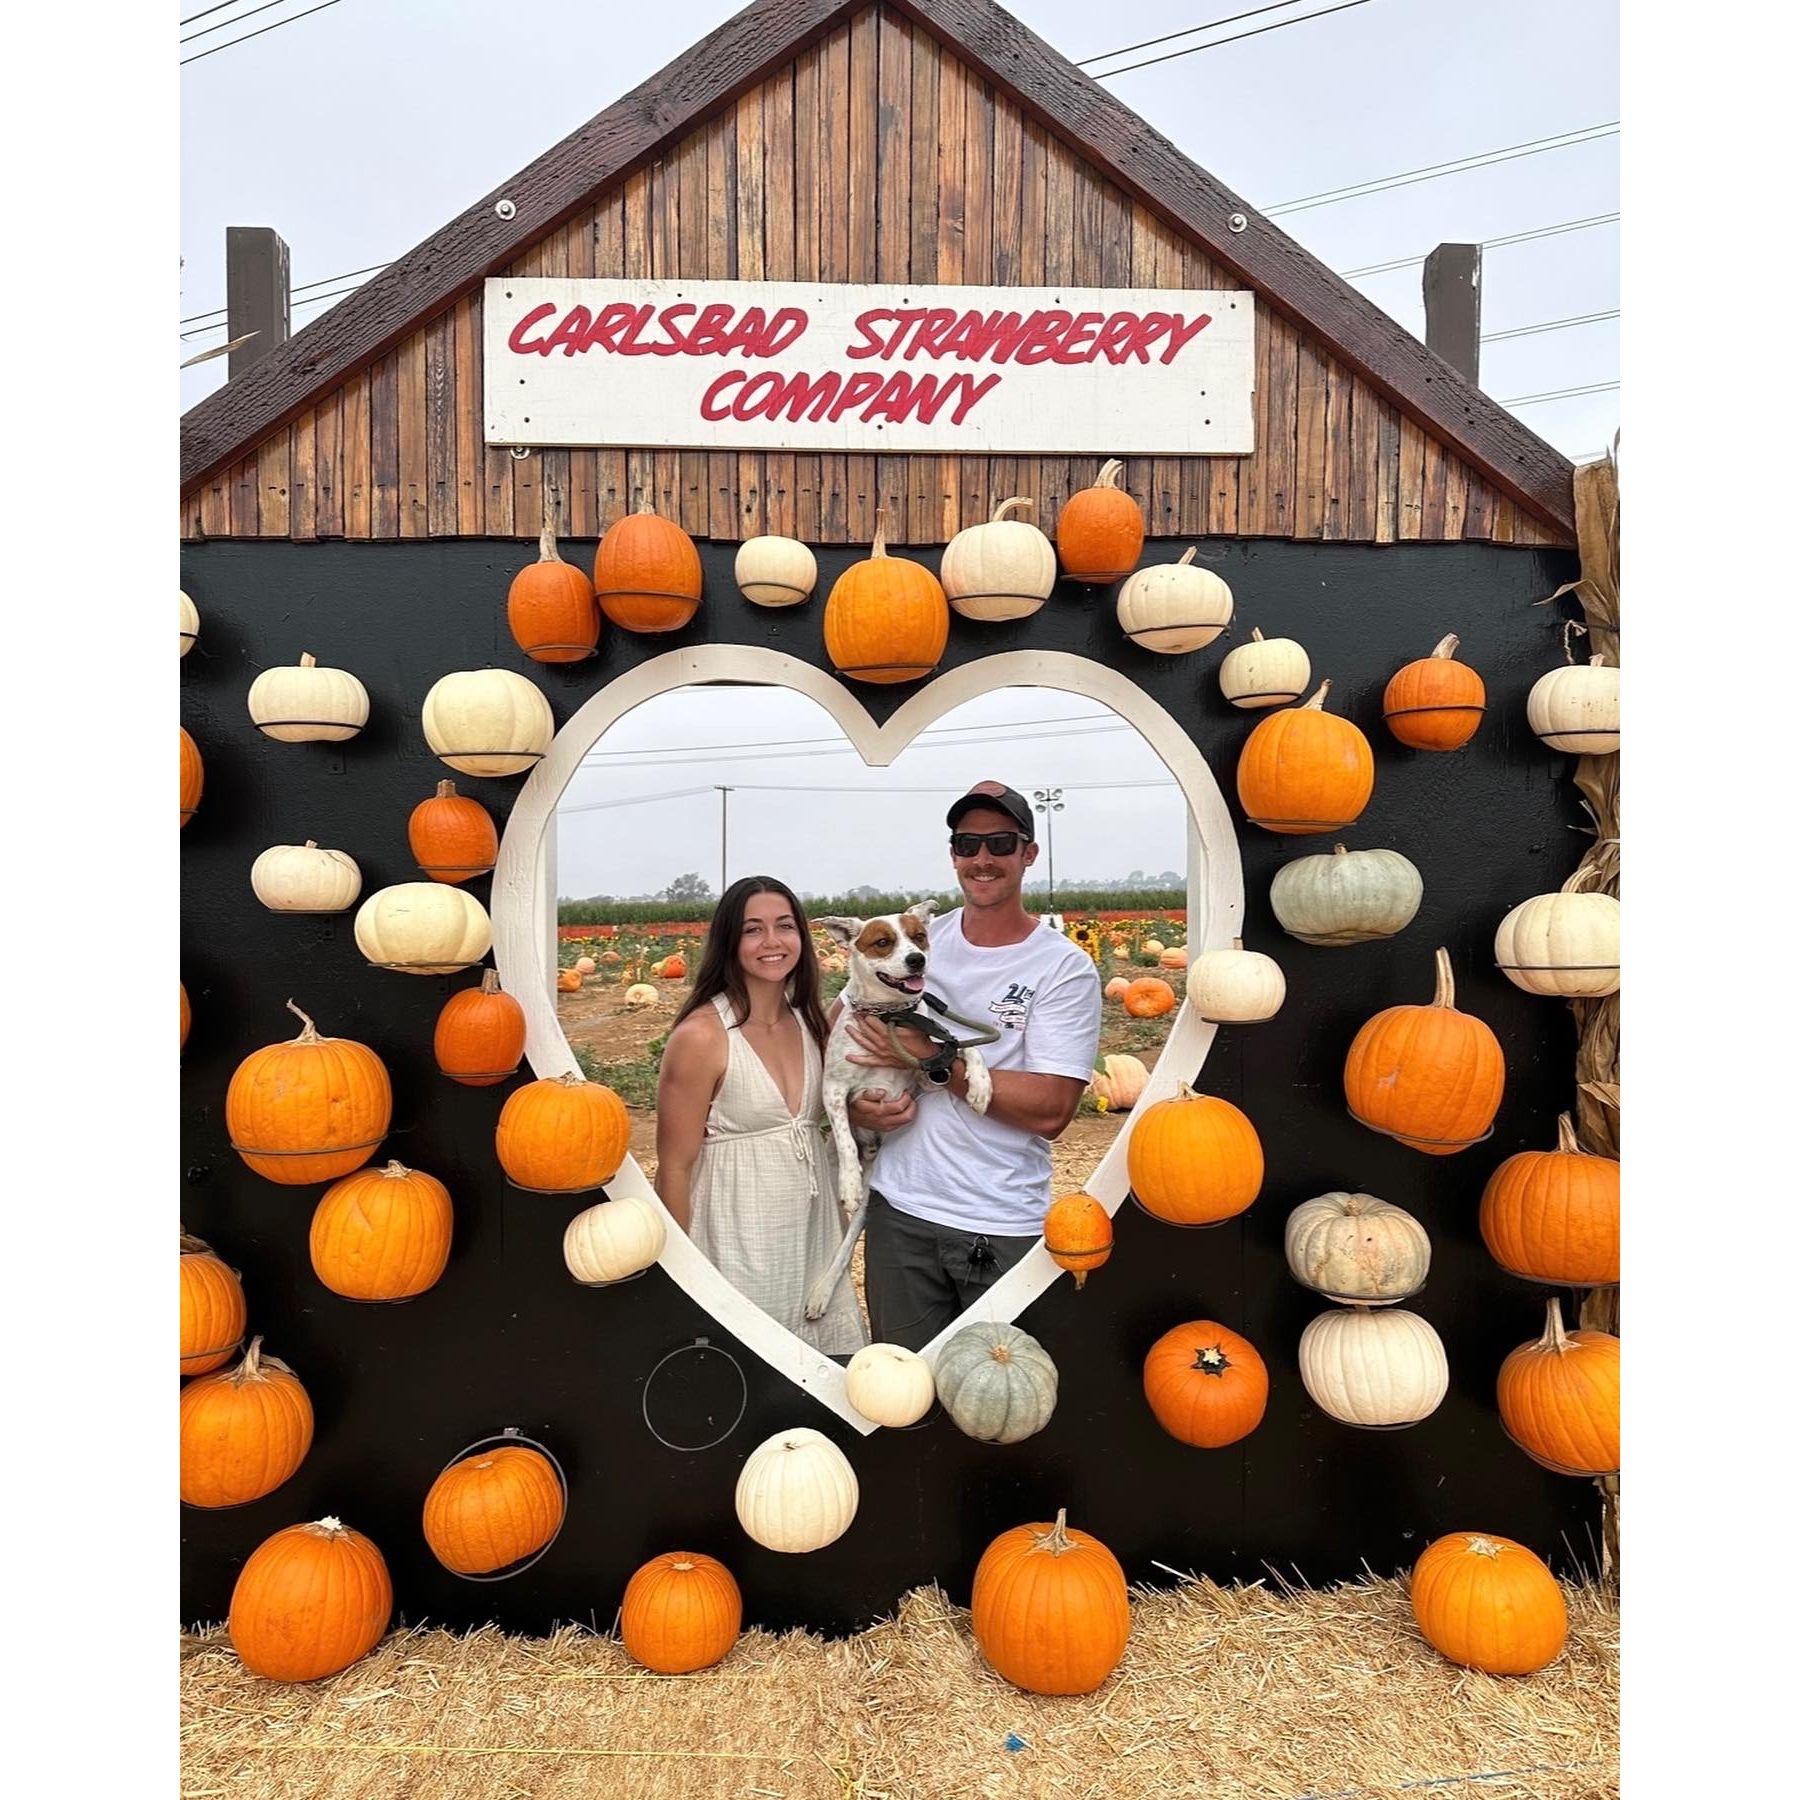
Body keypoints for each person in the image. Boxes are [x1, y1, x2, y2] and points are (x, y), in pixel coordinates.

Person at [844, 781, 1102, 1350]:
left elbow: (1053, 1109)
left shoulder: (1062, 968)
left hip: (997, 1217)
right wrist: (859, 1106)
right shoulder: (914, 946)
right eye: (967, 845)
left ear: (1028, 853)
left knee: (996, 1397)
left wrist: (935, 1059)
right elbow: (854, 1034)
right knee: (902, 1389)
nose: (982, 859)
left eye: (1001, 843)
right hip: (899, 1212)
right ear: (953, 854)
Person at [655, 875, 868, 1357]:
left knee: (821, 1371)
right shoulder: (702, 1036)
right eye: (753, 930)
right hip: (736, 1234)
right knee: (748, 1364)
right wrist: (680, 1276)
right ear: (729, 942)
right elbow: (674, 1167)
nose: (772, 942)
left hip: (812, 1234)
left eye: (784, 926)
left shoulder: (813, 1022)